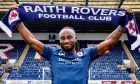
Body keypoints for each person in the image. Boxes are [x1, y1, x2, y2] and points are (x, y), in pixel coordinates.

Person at [12, 4, 133, 84]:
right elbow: (31, 40)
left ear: (75, 39)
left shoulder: (87, 53)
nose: (65, 41)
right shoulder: (52, 53)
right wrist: (18, 23)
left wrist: (122, 25)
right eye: (62, 38)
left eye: (69, 37)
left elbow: (109, 42)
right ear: (59, 41)